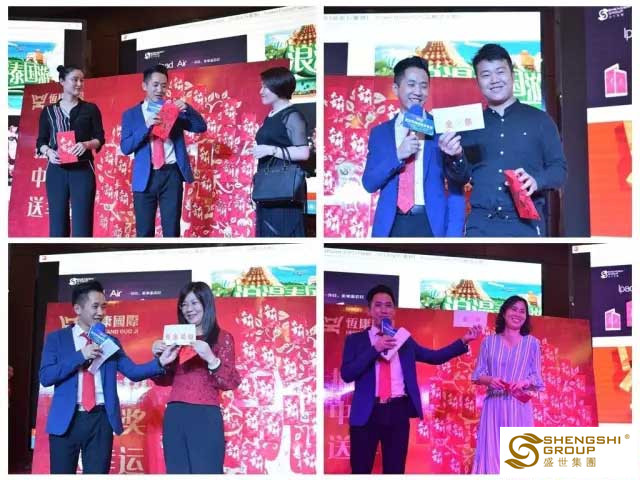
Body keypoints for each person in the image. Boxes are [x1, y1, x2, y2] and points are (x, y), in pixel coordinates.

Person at [340, 284, 481, 474]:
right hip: (367, 412)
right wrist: (376, 348)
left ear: (394, 311)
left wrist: (463, 341)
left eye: (388, 305)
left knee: (395, 470)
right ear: (369, 310)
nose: (383, 310)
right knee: (360, 470)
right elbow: (347, 374)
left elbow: (433, 357)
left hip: (397, 412)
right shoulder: (356, 340)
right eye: (378, 305)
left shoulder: (403, 340)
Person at [39, 281, 177, 474]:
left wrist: (160, 362)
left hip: (101, 420)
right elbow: (46, 377)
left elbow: (133, 372)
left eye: (103, 307)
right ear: (78, 309)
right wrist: (81, 355)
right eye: (95, 306)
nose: (101, 312)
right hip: (65, 421)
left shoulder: (110, 342)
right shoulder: (57, 339)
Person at [439, 43, 567, 237]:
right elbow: (461, 178)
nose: (494, 80)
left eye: (500, 72)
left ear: (512, 74)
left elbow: (559, 170)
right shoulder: (469, 126)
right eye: (486, 74)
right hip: (480, 225)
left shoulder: (540, 121)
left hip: (525, 226)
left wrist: (537, 180)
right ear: (478, 81)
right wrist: (454, 157)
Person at [362, 56, 467, 237]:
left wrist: (453, 235)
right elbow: (369, 183)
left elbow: (457, 186)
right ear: (396, 89)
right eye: (411, 84)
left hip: (431, 225)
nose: (418, 91)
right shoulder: (380, 133)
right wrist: (397, 155)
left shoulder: (442, 129)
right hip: (391, 225)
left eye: (423, 86)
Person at [151, 282, 241, 473]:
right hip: (175, 415)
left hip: (205, 416)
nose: (188, 309)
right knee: (177, 471)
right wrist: (159, 359)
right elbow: (164, 380)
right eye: (184, 304)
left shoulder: (222, 338)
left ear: (206, 303)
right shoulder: (176, 338)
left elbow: (230, 381)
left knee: (206, 470)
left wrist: (211, 358)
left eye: (194, 303)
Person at [120, 64, 206, 237]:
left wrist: (187, 108)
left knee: (172, 230)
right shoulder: (131, 114)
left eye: (164, 85)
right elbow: (126, 147)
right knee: (144, 233)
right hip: (145, 177)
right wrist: (146, 126)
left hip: (171, 174)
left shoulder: (172, 109)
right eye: (155, 85)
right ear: (144, 86)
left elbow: (200, 127)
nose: (160, 90)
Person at [471, 295, 544, 474]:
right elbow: (477, 375)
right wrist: (490, 380)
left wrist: (524, 382)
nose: (517, 314)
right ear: (504, 313)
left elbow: (537, 378)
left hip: (519, 406)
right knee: (492, 455)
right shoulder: (488, 342)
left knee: (519, 455)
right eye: (514, 309)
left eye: (522, 311)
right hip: (493, 407)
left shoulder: (532, 343)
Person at [36, 65, 105, 237]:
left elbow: (100, 138)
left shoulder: (90, 109)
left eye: (82, 80)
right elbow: (41, 141)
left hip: (83, 170)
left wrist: (86, 145)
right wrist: (49, 152)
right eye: (75, 80)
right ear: (62, 81)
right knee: (57, 225)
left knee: (82, 225)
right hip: (56, 170)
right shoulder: (49, 111)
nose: (79, 84)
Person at [251, 67, 310, 237]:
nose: (261, 91)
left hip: (283, 190)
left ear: (279, 87)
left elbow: (303, 152)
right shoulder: (271, 115)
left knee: (281, 233)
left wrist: (271, 150)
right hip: (268, 188)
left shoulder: (292, 115)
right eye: (261, 86)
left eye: (266, 87)